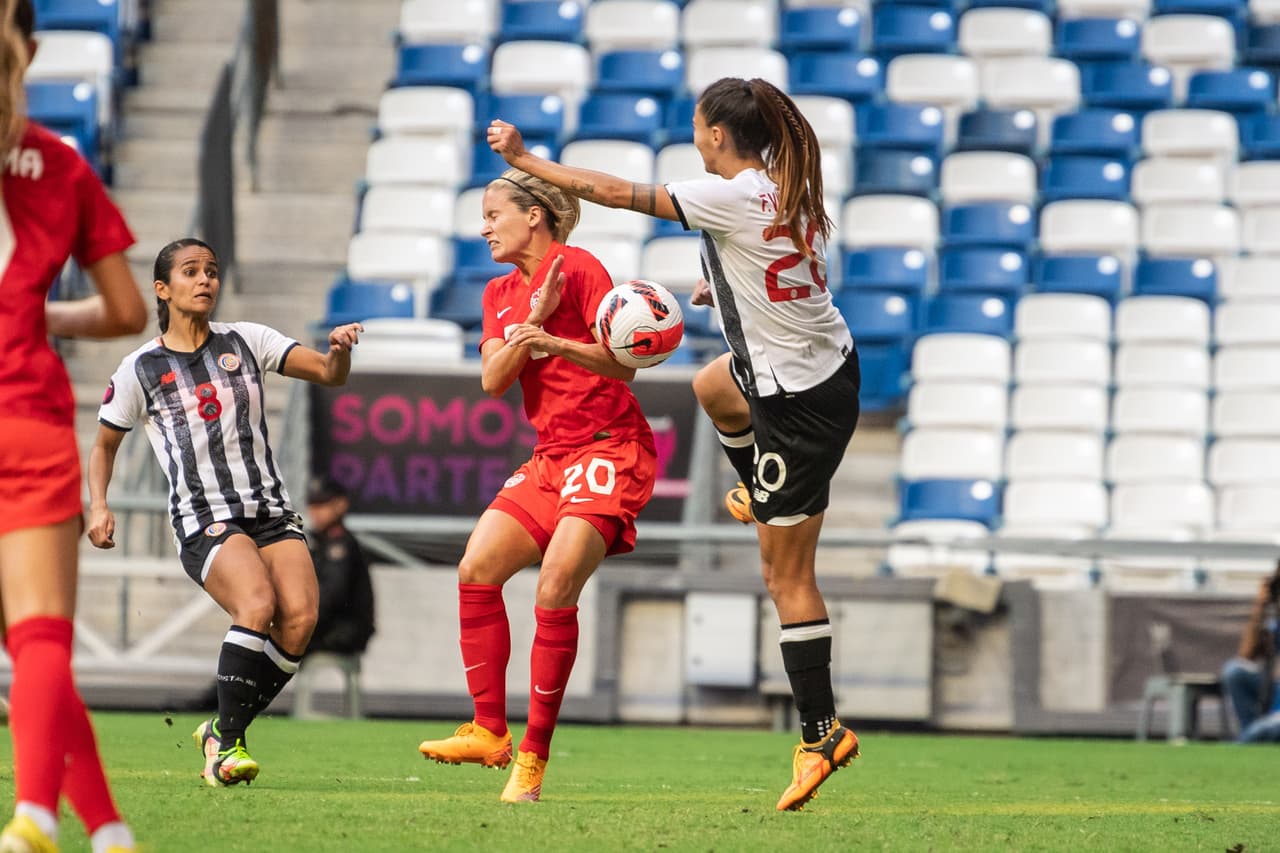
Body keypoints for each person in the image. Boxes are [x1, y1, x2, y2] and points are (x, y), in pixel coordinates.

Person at [488, 76, 862, 811]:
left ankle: (822, 733)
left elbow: (610, 189)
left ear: (718, 135)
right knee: (712, 388)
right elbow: (781, 272)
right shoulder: (788, 190)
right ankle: (759, 487)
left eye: (698, 127)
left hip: (798, 406)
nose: (694, 137)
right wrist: (716, 287)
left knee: (785, 576)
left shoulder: (729, 194)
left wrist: (528, 161)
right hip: (819, 369)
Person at [416, 168, 657, 803]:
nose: (484, 226)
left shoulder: (579, 268)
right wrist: (531, 323)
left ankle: (533, 756)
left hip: (609, 447)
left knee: (554, 585)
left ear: (535, 217)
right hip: (550, 457)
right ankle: (490, 730)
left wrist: (550, 336)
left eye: (494, 213)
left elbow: (624, 363)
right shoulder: (499, 291)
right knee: (477, 567)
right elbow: (494, 380)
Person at [86, 238, 363, 788]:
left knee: (301, 620)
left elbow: (331, 375)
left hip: (269, 510)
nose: (205, 279)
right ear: (163, 289)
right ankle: (226, 749)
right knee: (257, 604)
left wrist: (339, 350)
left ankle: (221, 727)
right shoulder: (140, 368)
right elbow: (103, 445)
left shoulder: (248, 340)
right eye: (191, 271)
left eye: (211, 270)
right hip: (204, 515)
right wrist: (99, 504)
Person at [0, 0, 146, 850]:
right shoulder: (58, 162)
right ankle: (95, 826)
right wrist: (45, 319)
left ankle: (55, 818)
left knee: (33, 639)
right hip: (26, 413)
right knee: (41, 636)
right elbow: (128, 309)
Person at [304, 477, 375, 660]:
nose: (315, 511)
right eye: (313, 504)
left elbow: (331, 596)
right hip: (330, 627)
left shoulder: (341, 546)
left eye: (322, 504)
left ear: (340, 504)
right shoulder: (320, 543)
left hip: (342, 631)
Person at [1221, 562, 1280, 743]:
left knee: (1264, 729)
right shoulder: (1275, 622)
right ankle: (1249, 736)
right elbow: (1245, 655)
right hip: (1273, 693)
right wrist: (1260, 607)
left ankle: (1243, 743)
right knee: (1234, 671)